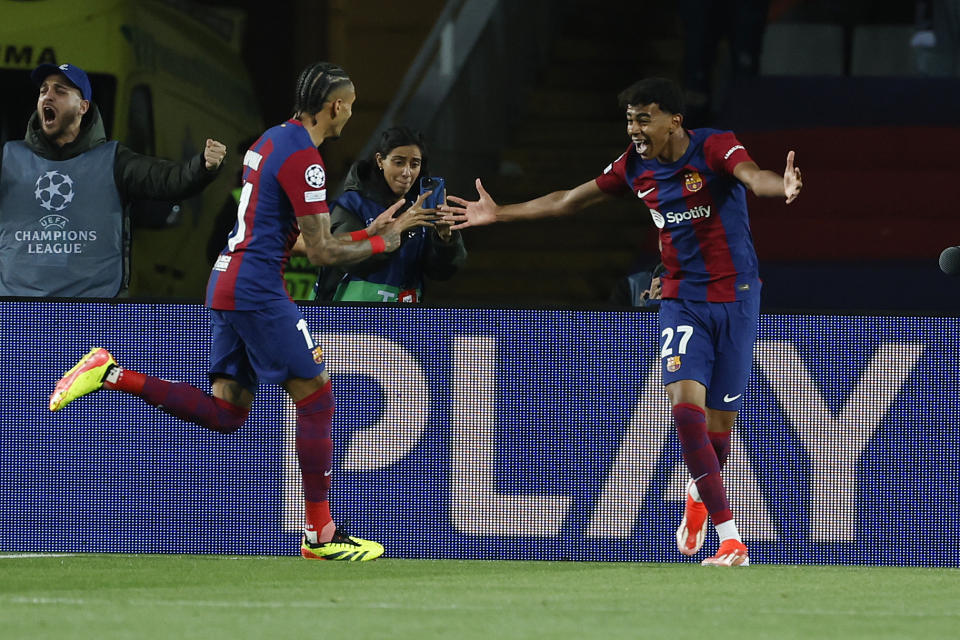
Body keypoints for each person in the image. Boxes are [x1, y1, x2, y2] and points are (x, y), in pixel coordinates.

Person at [48, 62, 439, 561]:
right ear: (336, 106)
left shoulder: (271, 141)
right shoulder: (308, 160)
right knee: (317, 395)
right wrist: (383, 243)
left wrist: (365, 233)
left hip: (226, 281)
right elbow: (319, 253)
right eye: (352, 104)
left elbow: (288, 236)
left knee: (229, 411)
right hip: (256, 288)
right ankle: (321, 535)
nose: (351, 115)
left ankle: (110, 373)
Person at [442, 76, 802, 567]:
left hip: (738, 297)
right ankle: (730, 535)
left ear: (674, 120)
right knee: (684, 410)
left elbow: (751, 175)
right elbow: (568, 200)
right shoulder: (634, 167)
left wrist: (778, 185)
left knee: (720, 426)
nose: (634, 128)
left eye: (644, 117)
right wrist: (500, 213)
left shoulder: (713, 145)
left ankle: (700, 499)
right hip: (681, 299)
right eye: (629, 119)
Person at [0, 62, 226, 297]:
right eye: (43, 90)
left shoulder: (113, 160)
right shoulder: (9, 159)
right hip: (16, 311)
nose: (48, 96)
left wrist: (203, 166)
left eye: (60, 91)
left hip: (94, 313)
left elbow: (167, 179)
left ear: (83, 107)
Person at [313, 125, 466, 302]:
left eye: (414, 164)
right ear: (380, 161)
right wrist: (396, 229)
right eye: (398, 162)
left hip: (403, 321)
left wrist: (445, 239)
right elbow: (348, 260)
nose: (407, 172)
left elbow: (440, 273)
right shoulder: (351, 205)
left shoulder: (421, 208)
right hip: (348, 318)